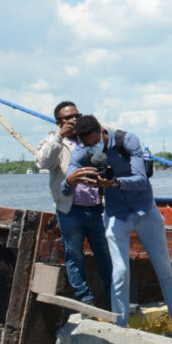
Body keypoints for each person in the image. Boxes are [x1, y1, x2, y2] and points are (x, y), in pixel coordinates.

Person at [64, 115, 172, 341]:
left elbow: (141, 180)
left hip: (145, 210)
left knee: (165, 270)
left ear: (102, 131)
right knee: (120, 273)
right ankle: (120, 330)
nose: (92, 147)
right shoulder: (81, 152)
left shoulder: (127, 140)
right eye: (86, 145)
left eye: (95, 141)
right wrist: (69, 181)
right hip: (116, 215)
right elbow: (65, 189)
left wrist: (114, 183)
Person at [36, 101, 112, 308]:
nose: (74, 121)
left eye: (76, 116)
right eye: (68, 118)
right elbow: (42, 162)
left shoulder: (89, 138)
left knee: (105, 254)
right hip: (70, 209)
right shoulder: (54, 142)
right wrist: (59, 136)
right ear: (59, 122)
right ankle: (85, 298)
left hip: (96, 206)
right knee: (74, 254)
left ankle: (113, 296)